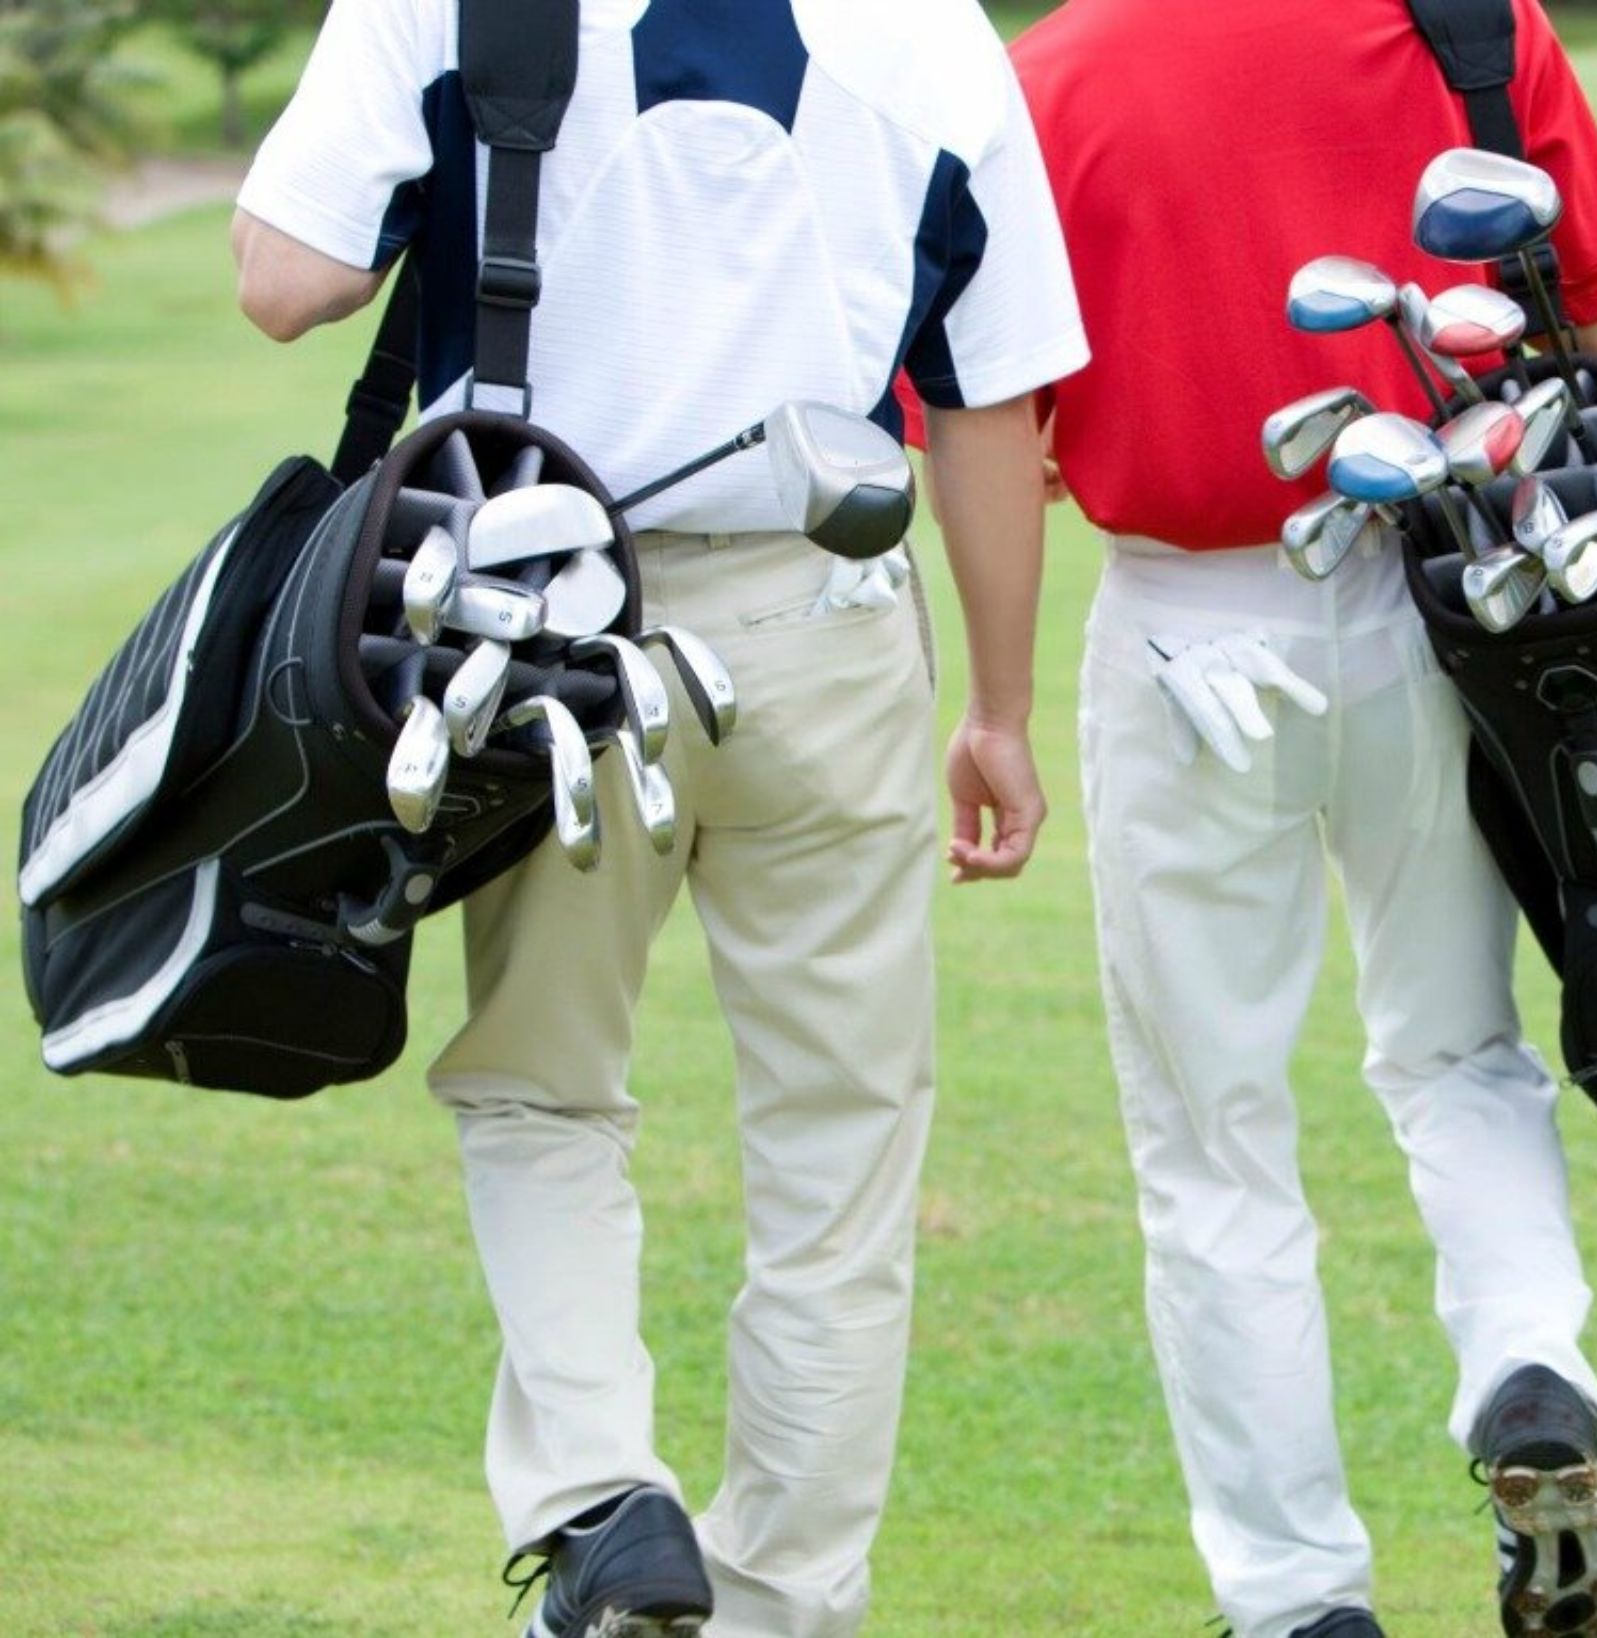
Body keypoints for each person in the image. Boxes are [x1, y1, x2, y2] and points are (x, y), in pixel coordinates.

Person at [230, 3, 1085, 1635]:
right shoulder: (933, 30)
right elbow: (987, 397)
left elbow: (287, 280)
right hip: (829, 622)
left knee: (542, 1088)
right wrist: (999, 707)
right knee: (839, 1151)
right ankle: (782, 1602)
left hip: (547, 626)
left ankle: (604, 1499)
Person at [944, 2, 1597, 1635]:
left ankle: (1296, 1597)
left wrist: (995, 706)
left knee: (1215, 1144)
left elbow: (993, 417)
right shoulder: (1470, 18)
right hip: (1449, 599)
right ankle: (1529, 1362)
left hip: (1184, 622)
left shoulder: (1045, 77)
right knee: (1459, 1049)